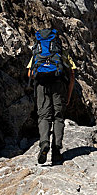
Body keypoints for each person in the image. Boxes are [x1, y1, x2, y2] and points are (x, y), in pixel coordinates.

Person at [27, 28, 76, 165]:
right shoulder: (61, 53)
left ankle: (44, 143)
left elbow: (30, 74)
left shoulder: (38, 52)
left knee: (44, 116)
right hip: (58, 86)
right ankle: (56, 151)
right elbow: (72, 76)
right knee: (58, 117)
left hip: (42, 86)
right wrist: (69, 95)